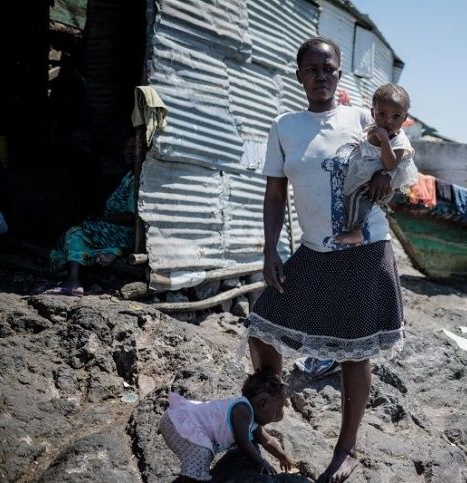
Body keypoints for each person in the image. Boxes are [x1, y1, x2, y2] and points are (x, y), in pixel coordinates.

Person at [245, 37, 404, 483]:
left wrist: (383, 173)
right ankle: (265, 409)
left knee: (355, 351)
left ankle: (346, 448)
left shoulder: (363, 118)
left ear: (339, 73)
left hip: (364, 251)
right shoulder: (285, 127)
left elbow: (402, 160)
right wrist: (270, 248)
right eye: (311, 69)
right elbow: (275, 193)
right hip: (314, 251)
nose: (320, 76)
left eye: (328, 68)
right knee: (263, 325)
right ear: (299, 76)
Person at [158, 369, 294, 481]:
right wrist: (260, 462)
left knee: (203, 452)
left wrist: (282, 456)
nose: (280, 415)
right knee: (203, 454)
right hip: (178, 426)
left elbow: (267, 440)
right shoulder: (242, 410)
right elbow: (243, 442)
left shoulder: (252, 418)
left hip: (179, 424)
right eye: (278, 409)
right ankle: (190, 479)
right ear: (263, 404)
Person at [334, 84, 417, 245]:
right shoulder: (371, 128)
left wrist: (385, 141)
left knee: (356, 197)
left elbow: (391, 165)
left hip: (381, 184)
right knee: (350, 197)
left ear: (404, 118)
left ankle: (356, 231)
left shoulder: (399, 141)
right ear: (373, 113)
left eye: (396, 116)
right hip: (366, 175)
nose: (388, 121)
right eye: (382, 114)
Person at [46, 163, 136, 297]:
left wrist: (102, 220)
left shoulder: (139, 179)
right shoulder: (130, 174)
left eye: (134, 147)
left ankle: (73, 282)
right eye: (127, 147)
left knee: (75, 233)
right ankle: (111, 251)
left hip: (125, 232)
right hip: (114, 229)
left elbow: (132, 217)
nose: (129, 150)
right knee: (77, 231)